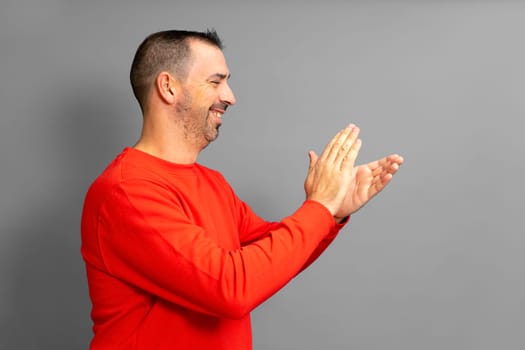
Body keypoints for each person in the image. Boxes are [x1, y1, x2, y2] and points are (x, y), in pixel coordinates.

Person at [81, 29, 404, 350]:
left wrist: (332, 211)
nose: (230, 96)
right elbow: (231, 288)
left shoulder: (212, 183)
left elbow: (270, 257)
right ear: (168, 87)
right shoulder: (126, 192)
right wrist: (318, 207)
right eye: (215, 81)